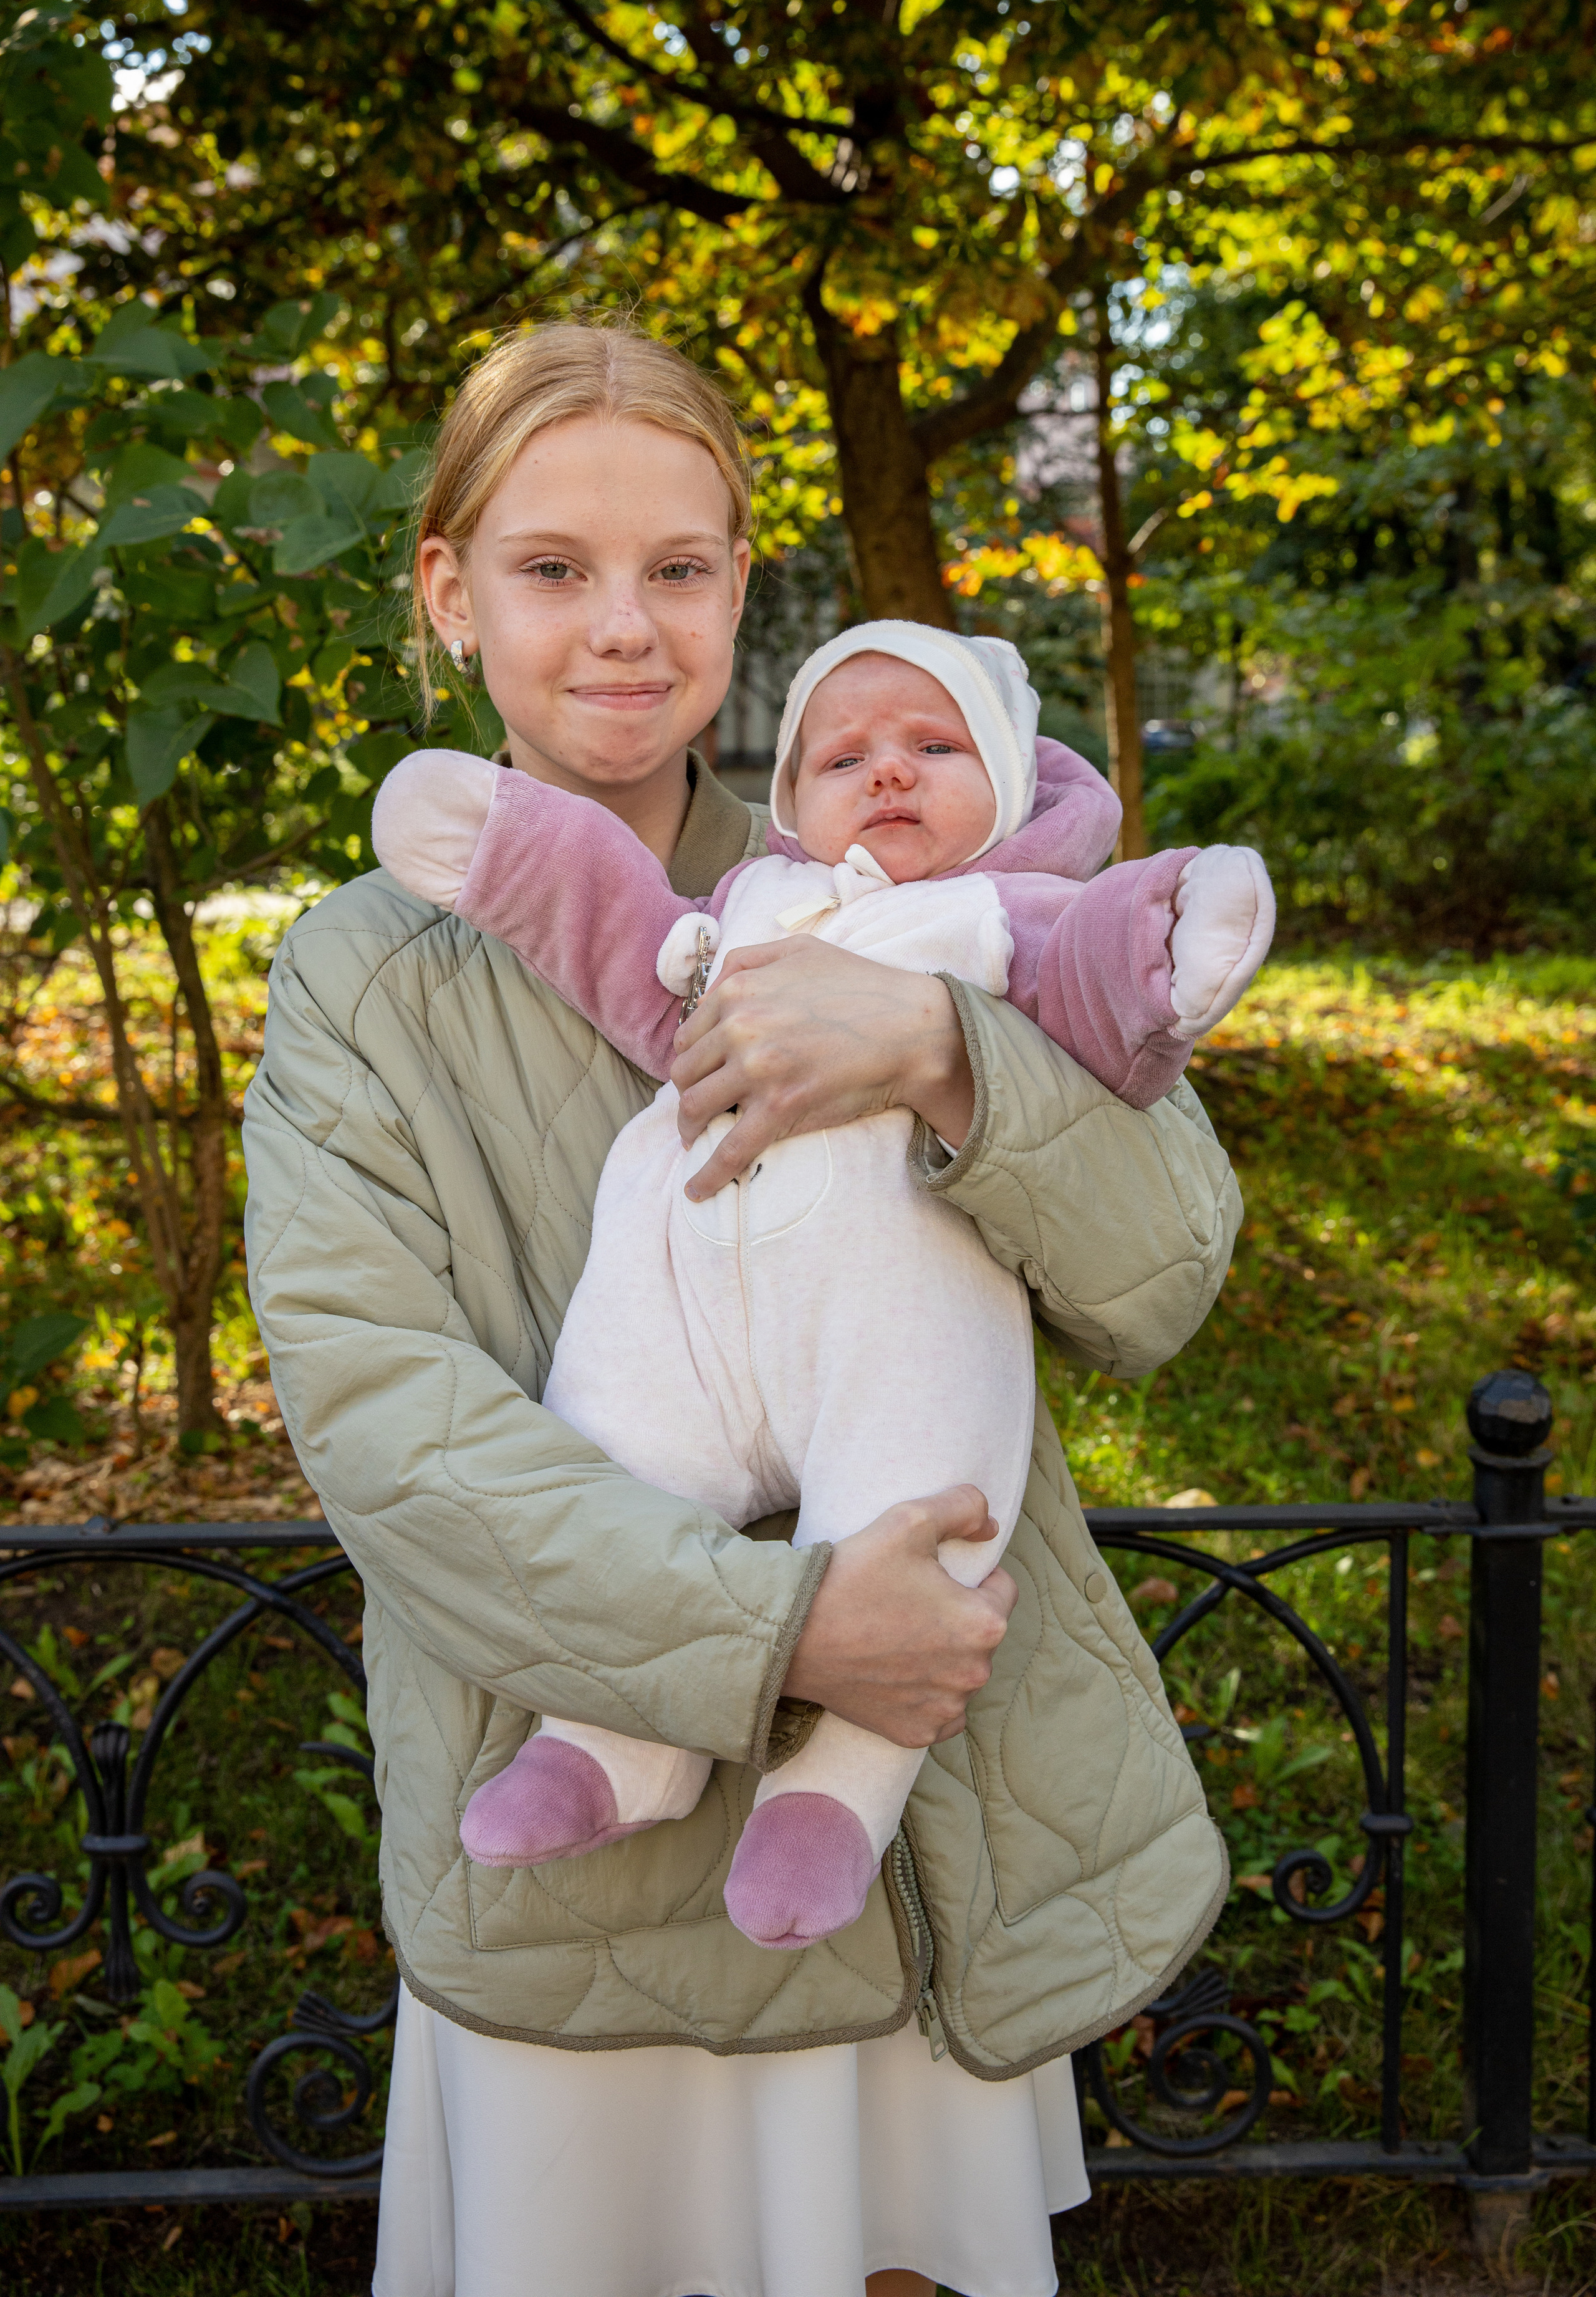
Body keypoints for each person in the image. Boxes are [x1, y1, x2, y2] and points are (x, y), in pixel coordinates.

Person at [242, 322, 1242, 2297]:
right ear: (449, 591)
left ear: (736, 584)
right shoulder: (359, 984)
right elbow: (390, 1432)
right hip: (583, 1833)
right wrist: (790, 1630)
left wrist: (953, 1057)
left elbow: (1167, 1274)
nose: (625, 627)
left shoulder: (904, 853)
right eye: (554, 569)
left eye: (679, 570)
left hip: (906, 1819)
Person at [368, 620, 1271, 1954]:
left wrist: (1166, 941)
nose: (889, 773)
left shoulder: (1003, 913)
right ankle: (612, 1748)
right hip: (678, 1318)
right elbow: (620, 937)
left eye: (933, 746)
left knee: (911, 1515)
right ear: (791, 801)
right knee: (614, 1452)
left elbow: (1104, 996)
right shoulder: (745, 908)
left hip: (890, 1329)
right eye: (844, 755)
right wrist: (501, 848)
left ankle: (833, 1800)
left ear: (1015, 783)